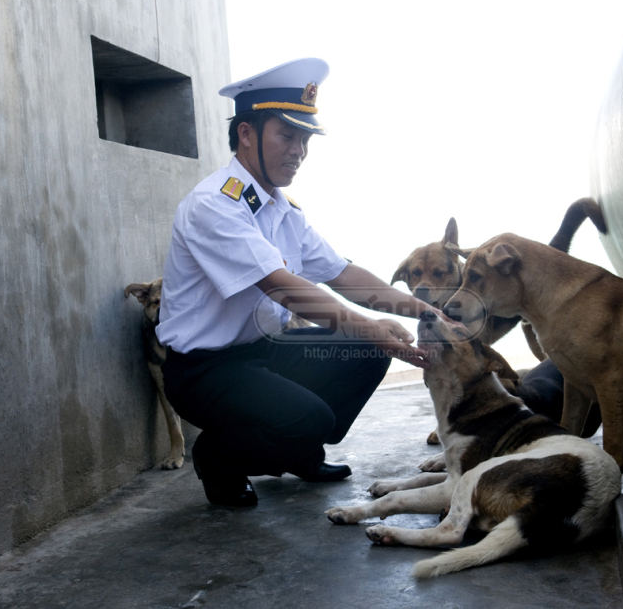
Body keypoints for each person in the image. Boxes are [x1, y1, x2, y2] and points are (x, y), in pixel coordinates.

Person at [158, 58, 452, 506]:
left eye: (305, 139)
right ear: (246, 134)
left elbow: (342, 274)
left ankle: (296, 449)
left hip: (260, 351)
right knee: (310, 415)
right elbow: (283, 287)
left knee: (365, 354)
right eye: (287, 135)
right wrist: (370, 326)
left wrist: (426, 312)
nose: (299, 150)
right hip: (203, 370)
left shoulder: (281, 208)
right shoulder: (214, 205)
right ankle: (219, 457)